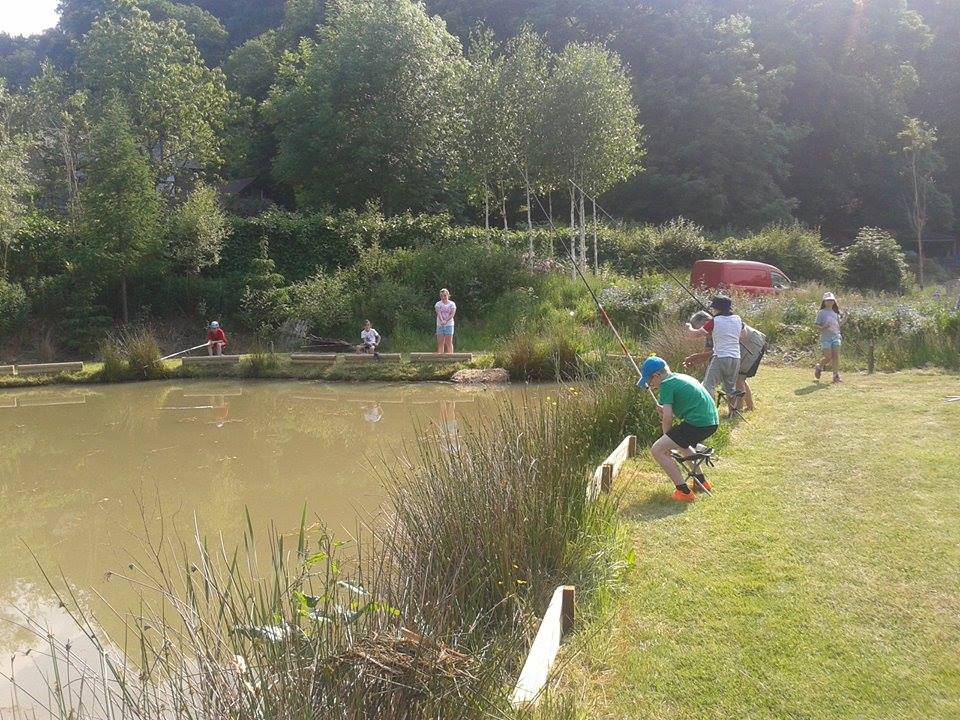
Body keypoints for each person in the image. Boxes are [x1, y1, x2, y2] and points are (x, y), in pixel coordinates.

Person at [639, 356, 720, 503]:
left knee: (657, 450)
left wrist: (666, 437)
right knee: (682, 443)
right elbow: (683, 407)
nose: (650, 385)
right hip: (710, 422)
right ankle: (702, 482)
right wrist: (665, 412)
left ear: (657, 376)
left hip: (699, 423)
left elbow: (668, 418)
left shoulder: (666, 385)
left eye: (650, 381)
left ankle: (683, 491)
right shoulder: (679, 377)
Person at [685, 309, 767, 411]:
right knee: (739, 377)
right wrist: (697, 358)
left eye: (702, 329)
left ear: (707, 321)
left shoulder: (721, 326)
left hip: (752, 343)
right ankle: (749, 408)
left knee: (739, 377)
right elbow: (711, 354)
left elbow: (725, 347)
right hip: (739, 348)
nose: (705, 334)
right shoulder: (710, 333)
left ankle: (737, 410)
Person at [686, 296, 747, 415]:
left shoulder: (715, 321)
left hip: (720, 357)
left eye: (713, 309)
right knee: (730, 389)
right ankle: (733, 413)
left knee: (708, 386)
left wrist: (689, 328)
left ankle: (710, 414)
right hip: (735, 358)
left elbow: (695, 335)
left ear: (717, 309)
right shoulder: (738, 319)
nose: (712, 311)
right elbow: (743, 335)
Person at [814, 292, 843, 383]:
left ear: (834, 302)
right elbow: (816, 325)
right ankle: (819, 366)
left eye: (831, 300)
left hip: (836, 336)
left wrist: (846, 317)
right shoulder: (821, 313)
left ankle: (835, 376)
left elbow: (838, 325)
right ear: (824, 302)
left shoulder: (835, 313)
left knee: (836, 356)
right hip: (826, 338)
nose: (829, 302)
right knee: (828, 357)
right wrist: (823, 328)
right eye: (827, 300)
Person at [435, 288, 457, 354]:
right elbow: (438, 313)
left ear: (448, 295)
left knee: (449, 342)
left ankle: (451, 356)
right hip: (440, 324)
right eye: (441, 296)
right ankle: (440, 357)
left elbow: (452, 313)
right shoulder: (438, 304)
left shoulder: (452, 304)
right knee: (440, 342)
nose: (443, 297)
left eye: (444, 295)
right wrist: (442, 321)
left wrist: (446, 321)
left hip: (449, 324)